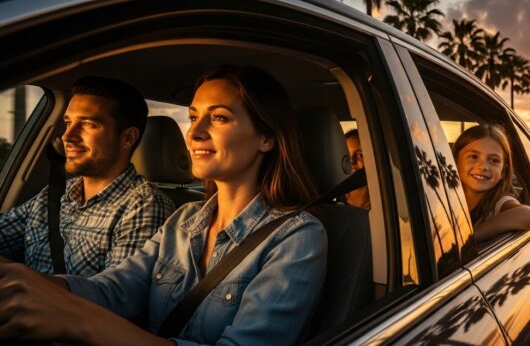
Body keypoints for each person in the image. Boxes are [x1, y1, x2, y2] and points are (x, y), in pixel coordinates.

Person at [0, 66, 328, 345]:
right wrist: (27, 284)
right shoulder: (182, 221)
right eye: (194, 117)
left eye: (218, 118)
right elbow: (114, 290)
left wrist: (77, 320)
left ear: (266, 138)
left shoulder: (297, 237)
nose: (194, 132)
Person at [0, 76, 174, 276]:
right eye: (68, 123)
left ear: (127, 138)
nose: (67, 136)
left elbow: (111, 297)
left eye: (88, 124)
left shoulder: (143, 205)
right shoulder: (53, 194)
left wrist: (20, 284)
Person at [452, 124, 530, 242]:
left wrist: (471, 238)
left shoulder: (499, 203)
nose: (483, 167)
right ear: (455, 161)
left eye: (494, 160)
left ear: (503, 171)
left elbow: (529, 215)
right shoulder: (445, 198)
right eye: (473, 156)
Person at [344, 129, 370, 210]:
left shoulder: (382, 202)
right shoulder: (335, 202)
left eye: (360, 155)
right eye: (346, 154)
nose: (352, 161)